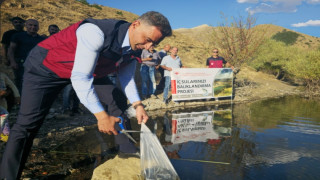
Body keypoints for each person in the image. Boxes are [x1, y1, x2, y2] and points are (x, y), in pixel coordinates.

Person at [0, 11, 172, 179]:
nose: (149, 47)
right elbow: (81, 78)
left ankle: (127, 152)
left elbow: (125, 76)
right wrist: (101, 116)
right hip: (47, 68)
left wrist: (138, 105)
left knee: (116, 97)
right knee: (27, 124)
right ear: (135, 25)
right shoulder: (95, 32)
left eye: (154, 44)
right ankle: (8, 175)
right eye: (148, 40)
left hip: (90, 71)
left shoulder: (136, 46)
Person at [7, 19, 46, 94]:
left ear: (38, 27)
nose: (33, 27)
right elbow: (11, 49)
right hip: (20, 64)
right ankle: (20, 101)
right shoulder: (18, 36)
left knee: (34, 82)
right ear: (26, 26)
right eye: (30, 25)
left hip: (35, 65)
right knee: (21, 82)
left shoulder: (41, 39)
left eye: (35, 25)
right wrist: (12, 61)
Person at [0, 72, 20, 142]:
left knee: (4, 117)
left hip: (2, 101)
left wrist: (17, 95)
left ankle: (4, 136)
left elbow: (12, 85)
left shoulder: (2, 75)